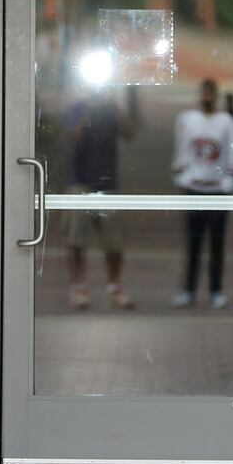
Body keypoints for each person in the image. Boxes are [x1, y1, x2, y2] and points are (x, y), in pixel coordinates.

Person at [171, 79, 233, 309]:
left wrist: (227, 182)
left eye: (211, 93)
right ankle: (189, 290)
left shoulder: (227, 123)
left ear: (215, 95)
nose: (207, 97)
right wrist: (184, 177)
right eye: (204, 93)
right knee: (193, 242)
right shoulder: (187, 120)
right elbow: (181, 152)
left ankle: (216, 290)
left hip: (217, 191)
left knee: (217, 244)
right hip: (194, 190)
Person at [64, 85, 137, 310]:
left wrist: (114, 106)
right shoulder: (76, 108)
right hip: (79, 181)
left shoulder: (112, 109)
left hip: (108, 184)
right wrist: (89, 110)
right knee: (76, 239)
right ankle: (79, 286)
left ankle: (114, 287)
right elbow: (73, 134)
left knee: (114, 241)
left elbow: (131, 134)